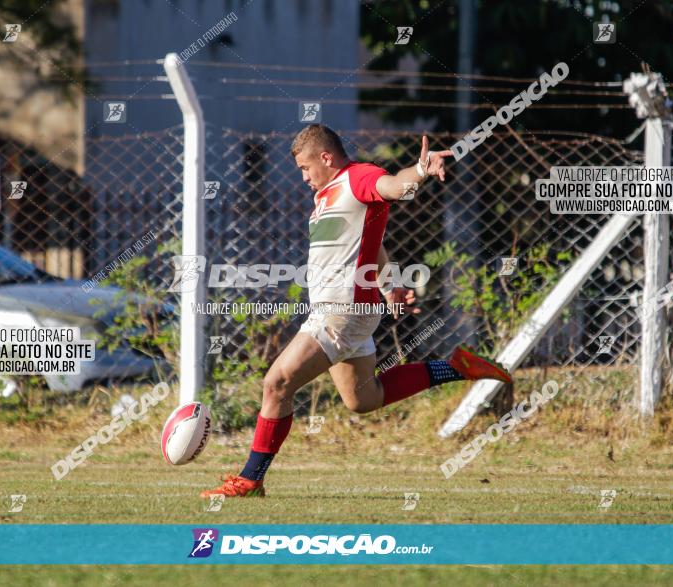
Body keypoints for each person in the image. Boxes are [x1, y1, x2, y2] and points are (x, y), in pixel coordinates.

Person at [200, 124, 511, 498]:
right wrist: (387, 283)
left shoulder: (358, 177)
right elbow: (372, 243)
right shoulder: (326, 197)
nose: (303, 178)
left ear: (326, 158)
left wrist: (420, 170)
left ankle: (250, 479)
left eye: (305, 168)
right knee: (363, 399)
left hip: (341, 311)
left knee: (277, 383)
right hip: (347, 309)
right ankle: (456, 367)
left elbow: (395, 185)